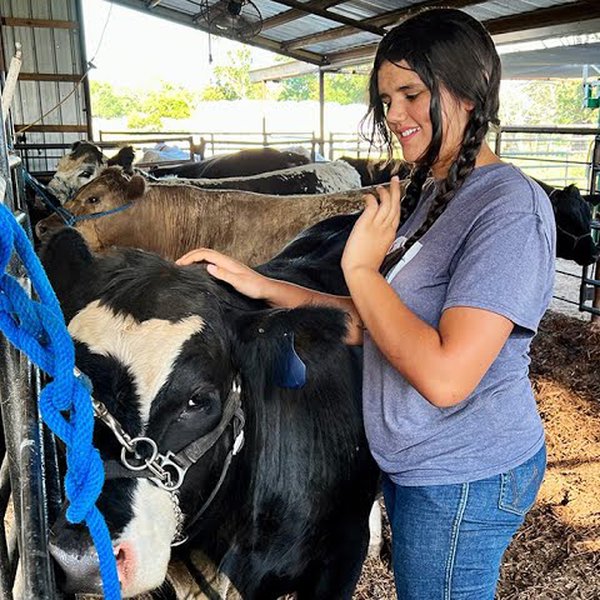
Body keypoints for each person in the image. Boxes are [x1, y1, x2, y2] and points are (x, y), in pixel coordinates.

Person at [177, 8, 555, 599]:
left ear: (471, 91)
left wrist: (360, 266)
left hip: (464, 472)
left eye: (412, 93)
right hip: (419, 465)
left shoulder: (508, 207)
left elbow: (446, 375)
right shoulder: (435, 192)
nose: (394, 115)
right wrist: (262, 285)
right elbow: (377, 323)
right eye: (385, 99)